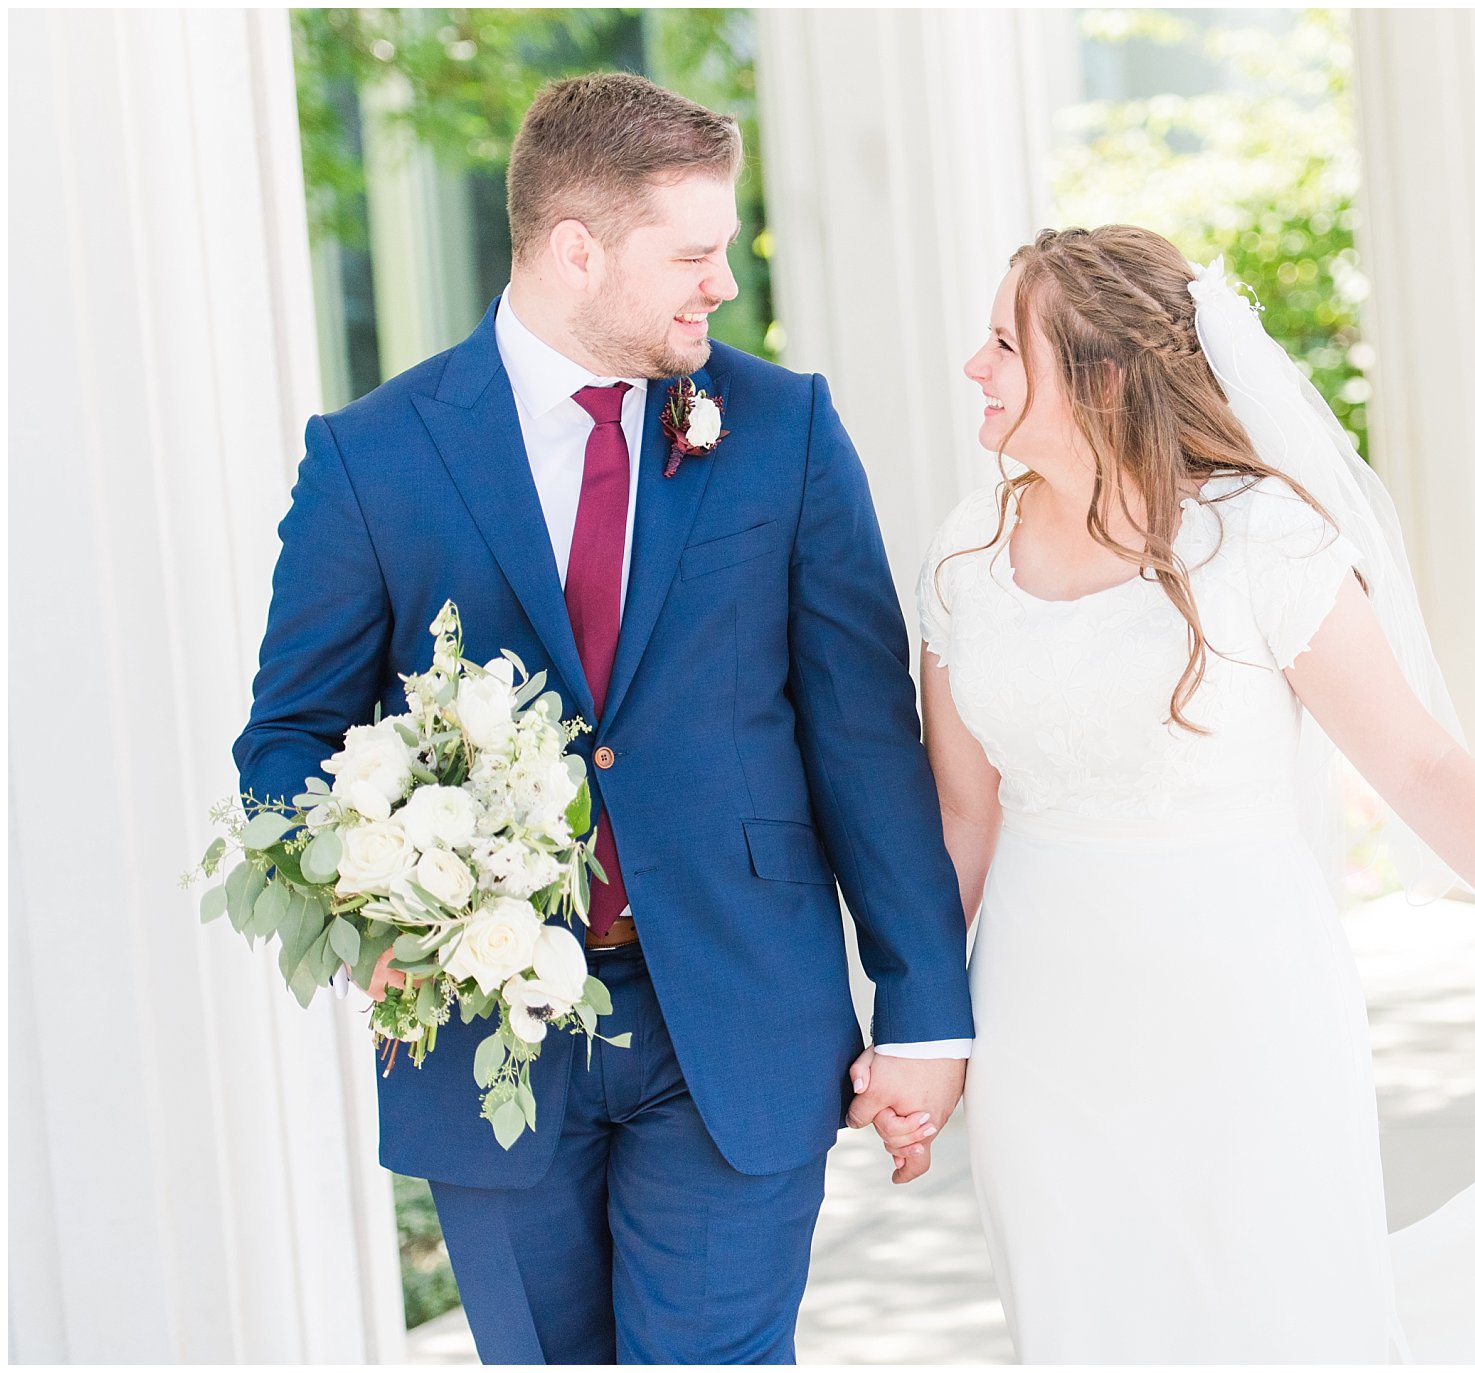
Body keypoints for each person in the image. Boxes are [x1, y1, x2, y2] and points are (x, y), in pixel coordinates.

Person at [873, 224, 1475, 1361]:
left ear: (1099, 376)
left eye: (1005, 344)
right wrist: (918, 1027)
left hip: (1245, 1009)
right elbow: (962, 813)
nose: (975, 366)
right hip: (1041, 1022)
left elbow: (1415, 761)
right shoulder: (966, 553)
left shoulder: (1261, 539)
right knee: (1081, 1319)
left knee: (1276, 1314)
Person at [233, 73, 972, 1363]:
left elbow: (862, 732)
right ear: (576, 250)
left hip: (736, 1015)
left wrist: (923, 1007)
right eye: (690, 254)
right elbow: (287, 741)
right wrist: (377, 925)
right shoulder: (374, 457)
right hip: (487, 1044)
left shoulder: (782, 430)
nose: (720, 287)